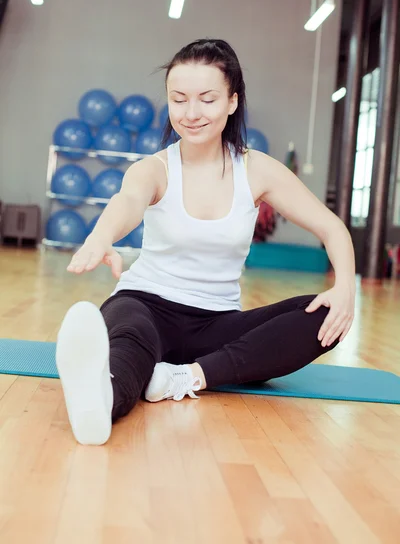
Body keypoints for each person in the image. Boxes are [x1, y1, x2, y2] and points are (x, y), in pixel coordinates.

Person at [57, 39, 356, 446]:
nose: (191, 113)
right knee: (133, 339)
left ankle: (184, 378)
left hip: (217, 322)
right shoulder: (156, 168)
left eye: (207, 99)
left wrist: (345, 291)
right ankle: (100, 398)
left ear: (232, 102)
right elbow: (127, 200)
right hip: (145, 301)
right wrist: (101, 236)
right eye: (178, 100)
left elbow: (332, 228)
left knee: (324, 315)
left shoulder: (256, 170)